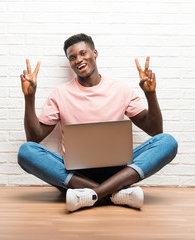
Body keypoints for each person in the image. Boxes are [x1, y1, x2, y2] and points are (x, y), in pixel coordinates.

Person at [17, 33, 178, 212]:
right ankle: (114, 193)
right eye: (72, 57)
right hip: (75, 174)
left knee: (167, 142)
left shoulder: (120, 89)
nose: (78, 60)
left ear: (95, 53)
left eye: (83, 53)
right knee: (26, 151)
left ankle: (90, 195)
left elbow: (155, 130)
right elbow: (34, 138)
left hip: (117, 171)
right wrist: (29, 97)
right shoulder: (60, 93)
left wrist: (150, 94)